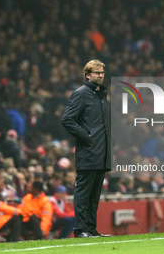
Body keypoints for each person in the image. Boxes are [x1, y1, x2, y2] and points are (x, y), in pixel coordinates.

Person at [62, 59, 111, 238]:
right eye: (97, 72)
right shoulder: (81, 94)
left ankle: (90, 229)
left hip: (101, 153)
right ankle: (80, 230)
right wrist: (87, 137)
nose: (100, 75)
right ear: (87, 75)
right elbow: (67, 120)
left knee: (94, 196)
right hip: (89, 152)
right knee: (83, 194)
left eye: (102, 72)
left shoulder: (101, 96)